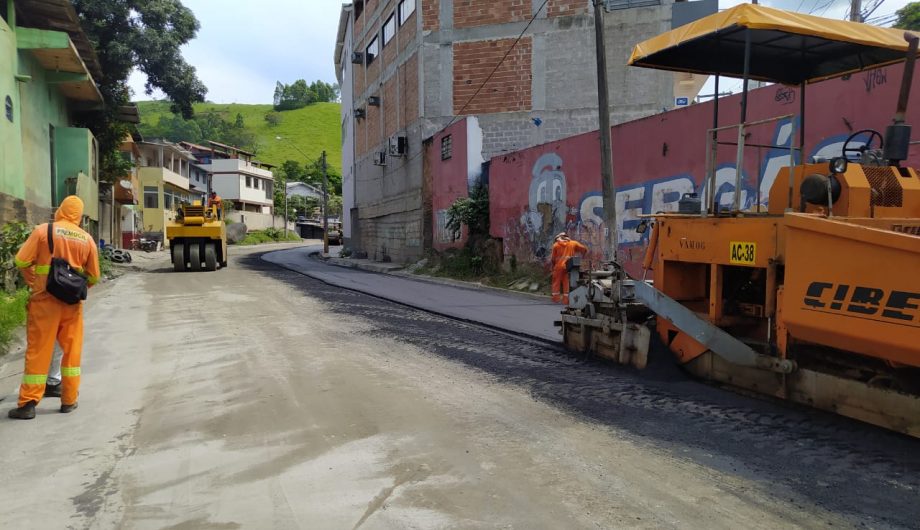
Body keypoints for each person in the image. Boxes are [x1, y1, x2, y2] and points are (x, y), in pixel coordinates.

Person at [8, 196, 100, 420]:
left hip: (44, 301)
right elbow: (94, 276)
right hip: (72, 305)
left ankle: (28, 404)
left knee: (39, 351)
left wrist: (34, 281)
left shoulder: (43, 231)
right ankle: (68, 400)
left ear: (60, 210)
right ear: (79, 216)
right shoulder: (87, 239)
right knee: (71, 352)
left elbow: (21, 261)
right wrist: (76, 289)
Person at [550, 232, 588, 305]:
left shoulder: (556, 245)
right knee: (566, 282)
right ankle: (566, 300)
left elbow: (553, 259)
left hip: (558, 267)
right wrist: (583, 255)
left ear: (559, 237)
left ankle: (556, 299)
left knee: (556, 282)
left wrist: (553, 266)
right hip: (568, 266)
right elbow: (584, 249)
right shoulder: (573, 243)